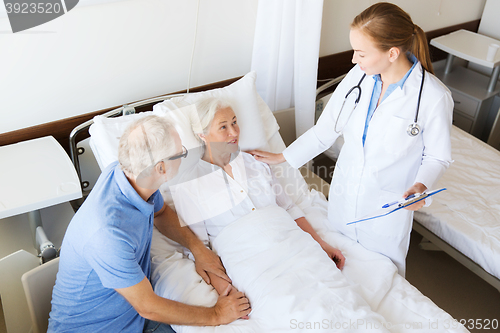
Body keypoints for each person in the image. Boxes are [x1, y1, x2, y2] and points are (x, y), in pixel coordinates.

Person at [250, 2, 453, 276]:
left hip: (385, 217)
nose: (353, 60)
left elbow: (438, 156)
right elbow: (326, 130)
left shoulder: (432, 96)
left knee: (381, 282)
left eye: (360, 53)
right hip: (343, 204)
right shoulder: (359, 77)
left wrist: (421, 185)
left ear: (392, 53)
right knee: (337, 273)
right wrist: (281, 158)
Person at [48, 115, 251, 332]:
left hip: (131, 316)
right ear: (161, 169)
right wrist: (217, 314)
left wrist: (198, 249)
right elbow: (148, 307)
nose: (184, 155)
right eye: (180, 152)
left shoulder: (130, 176)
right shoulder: (107, 234)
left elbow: (161, 213)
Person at [168, 98, 345, 298]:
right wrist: (226, 291)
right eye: (223, 127)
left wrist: (321, 244)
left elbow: (289, 208)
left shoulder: (255, 162)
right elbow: (200, 248)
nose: (234, 132)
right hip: (252, 263)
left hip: (294, 246)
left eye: (234, 122)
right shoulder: (189, 185)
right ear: (202, 135)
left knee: (335, 294)